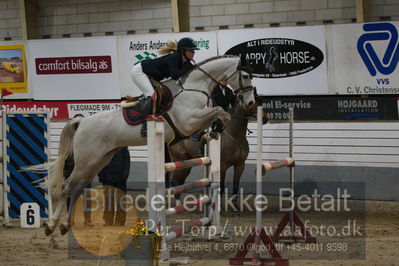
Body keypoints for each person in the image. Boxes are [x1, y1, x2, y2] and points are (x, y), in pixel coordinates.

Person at [130, 37, 200, 137]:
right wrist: (188, 65)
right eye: (191, 50)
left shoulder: (182, 59)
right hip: (140, 72)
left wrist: (188, 65)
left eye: (194, 50)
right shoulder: (175, 57)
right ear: (183, 51)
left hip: (151, 76)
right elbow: (175, 75)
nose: (193, 52)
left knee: (161, 95)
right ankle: (145, 126)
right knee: (152, 95)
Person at [64, 114, 94, 226]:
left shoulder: (89, 138)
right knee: (70, 196)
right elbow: (64, 157)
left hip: (85, 173)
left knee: (87, 197)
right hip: (71, 173)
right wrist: (64, 174)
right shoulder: (68, 139)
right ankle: (70, 218)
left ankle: (87, 219)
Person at [98, 147, 130, 226]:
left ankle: (120, 221)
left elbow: (127, 162)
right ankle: (108, 220)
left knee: (120, 201)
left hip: (120, 178)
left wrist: (125, 175)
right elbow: (100, 163)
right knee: (108, 201)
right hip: (107, 178)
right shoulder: (104, 148)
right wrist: (101, 176)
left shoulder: (123, 148)